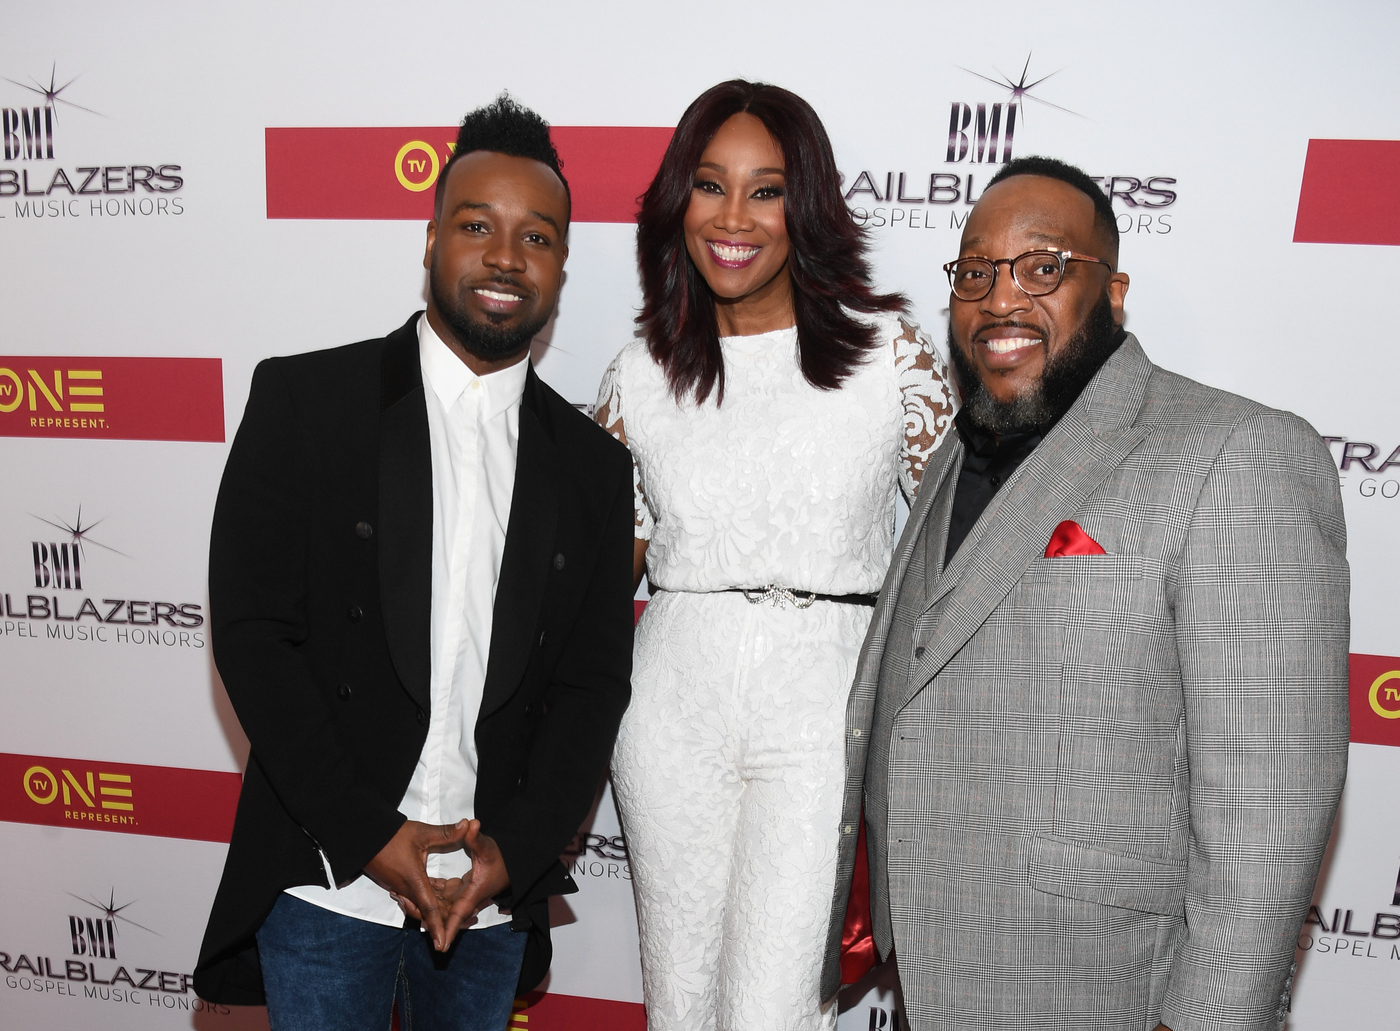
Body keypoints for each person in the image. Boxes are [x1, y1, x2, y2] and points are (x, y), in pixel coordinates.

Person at [820, 155, 1350, 1031]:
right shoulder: (960, 447)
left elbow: (1266, 815)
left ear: (1114, 292)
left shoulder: (1236, 453)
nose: (1000, 297)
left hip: (1107, 989)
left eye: (1043, 267)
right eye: (975, 272)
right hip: (941, 977)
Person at [192, 95, 635, 1031]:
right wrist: (370, 836)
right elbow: (253, 636)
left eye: (536, 237)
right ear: (431, 239)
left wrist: (512, 853)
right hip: (326, 876)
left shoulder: (594, 469)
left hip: (489, 898)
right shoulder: (306, 402)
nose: (506, 256)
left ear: (560, 266)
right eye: (477, 226)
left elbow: (593, 686)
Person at [595, 79, 955, 1031]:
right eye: (710, 186)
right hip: (670, 710)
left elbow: (968, 551)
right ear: (677, 203)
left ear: (809, 207)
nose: (734, 218)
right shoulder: (639, 375)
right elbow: (592, 584)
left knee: (776, 1007)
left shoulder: (889, 355)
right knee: (680, 1002)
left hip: (822, 714)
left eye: (767, 190)